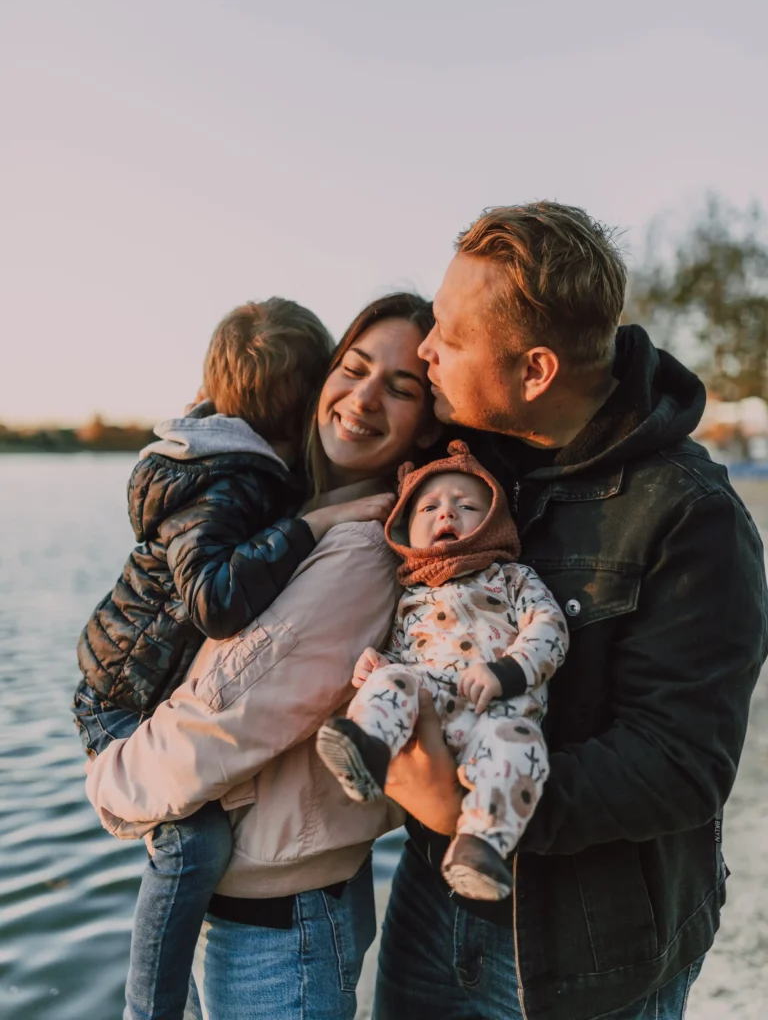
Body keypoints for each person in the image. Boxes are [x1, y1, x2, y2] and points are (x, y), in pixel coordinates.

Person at [374, 202, 768, 1020]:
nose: (426, 348)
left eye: (450, 332)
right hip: (429, 913)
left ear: (537, 371)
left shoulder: (691, 516)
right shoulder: (466, 459)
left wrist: (469, 805)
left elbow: (679, 764)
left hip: (592, 955)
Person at [83, 293, 440, 1020]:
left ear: (428, 423)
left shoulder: (363, 544)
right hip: (260, 917)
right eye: (354, 367)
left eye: (401, 388)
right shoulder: (282, 505)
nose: (364, 398)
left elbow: (221, 721)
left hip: (284, 933)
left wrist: (109, 781)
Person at [317, 440, 568, 900]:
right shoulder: (410, 599)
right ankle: (370, 749)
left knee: (521, 747)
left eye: (467, 505)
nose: (446, 514)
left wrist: (509, 670)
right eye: (428, 507)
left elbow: (549, 627)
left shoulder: (511, 578)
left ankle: (480, 845)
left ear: (495, 520)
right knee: (389, 681)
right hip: (433, 706)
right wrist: (380, 665)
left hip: (497, 712)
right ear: (406, 532)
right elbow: (405, 660)